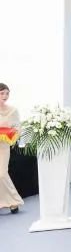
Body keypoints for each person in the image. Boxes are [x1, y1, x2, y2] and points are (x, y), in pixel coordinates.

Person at [0, 83, 23, 214]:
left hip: (3, 146)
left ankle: (14, 201)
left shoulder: (13, 110)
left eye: (7, 93)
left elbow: (18, 128)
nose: (5, 96)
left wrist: (10, 132)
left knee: (2, 174)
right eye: (2, 93)